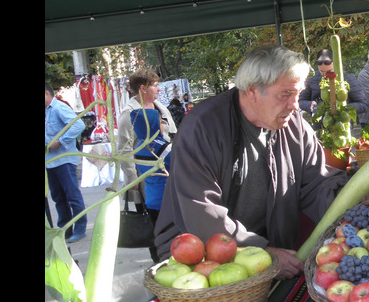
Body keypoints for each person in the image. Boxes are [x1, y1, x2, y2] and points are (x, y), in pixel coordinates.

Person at [152, 46, 355, 279]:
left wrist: (350, 197)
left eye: (298, 93)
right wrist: (263, 252)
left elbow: (317, 183)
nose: (295, 105)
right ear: (252, 91)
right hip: (199, 260)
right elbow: (201, 210)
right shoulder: (203, 126)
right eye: (285, 94)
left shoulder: (294, 124)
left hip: (264, 252)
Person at [116, 70, 177, 207]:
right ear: (143, 88)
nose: (159, 89)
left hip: (168, 171)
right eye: (155, 85)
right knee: (152, 217)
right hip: (146, 176)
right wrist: (132, 179)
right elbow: (124, 149)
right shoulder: (129, 114)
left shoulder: (161, 108)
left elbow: (173, 137)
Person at [45, 83, 88, 242]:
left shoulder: (58, 108)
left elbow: (78, 125)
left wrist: (61, 141)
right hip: (50, 161)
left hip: (64, 159)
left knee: (71, 194)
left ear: (46, 94)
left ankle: (80, 227)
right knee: (58, 197)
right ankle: (65, 228)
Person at [131, 107, 172, 262]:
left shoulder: (139, 146)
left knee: (156, 235)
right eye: (160, 121)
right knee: (170, 236)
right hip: (167, 199)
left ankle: (157, 261)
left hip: (150, 198)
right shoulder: (163, 147)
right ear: (153, 124)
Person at [298, 49, 369, 127]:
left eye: (329, 71)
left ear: (336, 65)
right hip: (318, 127)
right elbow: (301, 101)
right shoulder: (312, 78)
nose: (325, 75)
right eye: (321, 71)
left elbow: (363, 105)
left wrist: (342, 108)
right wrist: (309, 105)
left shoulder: (349, 79)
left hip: (342, 125)